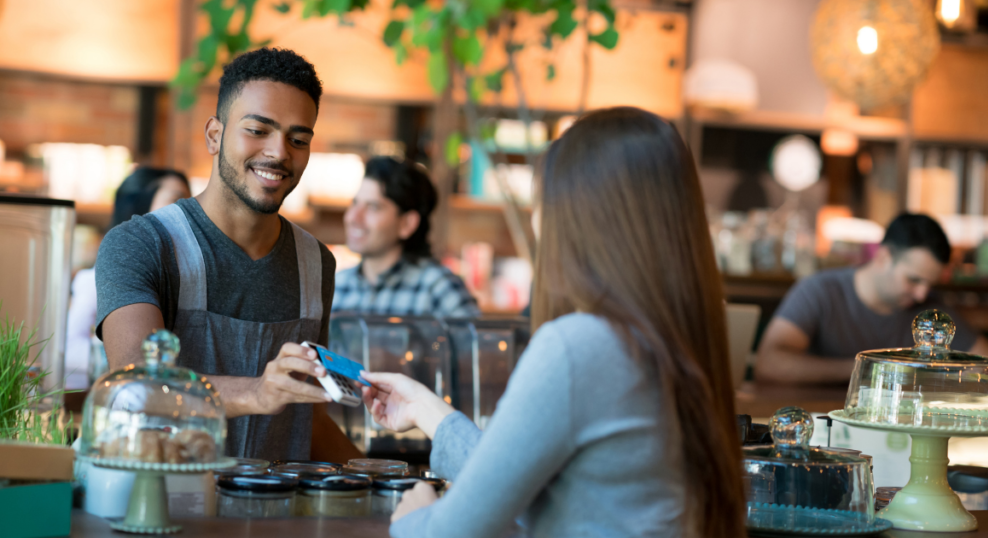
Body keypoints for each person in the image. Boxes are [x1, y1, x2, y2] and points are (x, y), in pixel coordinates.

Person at [358, 107, 746, 538]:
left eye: (541, 204)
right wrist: (427, 411)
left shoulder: (580, 345)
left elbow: (452, 531)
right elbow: (536, 485)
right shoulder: (678, 336)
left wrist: (414, 517)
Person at [95, 48, 361, 462]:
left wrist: (391, 482)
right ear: (214, 136)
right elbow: (134, 389)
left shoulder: (316, 263)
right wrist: (258, 391)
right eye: (258, 130)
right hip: (159, 512)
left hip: (276, 520)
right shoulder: (141, 244)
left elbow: (308, 418)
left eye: (298, 139)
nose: (279, 153)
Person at [757, 213, 988, 386]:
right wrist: (870, 367)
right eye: (914, 279)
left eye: (929, 284)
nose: (921, 294)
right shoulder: (820, 290)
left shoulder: (930, 312)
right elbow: (769, 363)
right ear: (883, 257)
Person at [65, 167, 192, 389]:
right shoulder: (94, 280)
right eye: (176, 200)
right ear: (140, 205)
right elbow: (69, 351)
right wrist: (116, 353)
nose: (187, 211)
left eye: (190, 201)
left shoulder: (187, 276)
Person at [332, 156, 480, 317]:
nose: (353, 218)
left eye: (373, 207)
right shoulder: (336, 286)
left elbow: (477, 342)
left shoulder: (439, 289)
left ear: (407, 224)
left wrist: (435, 344)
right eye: (355, 203)